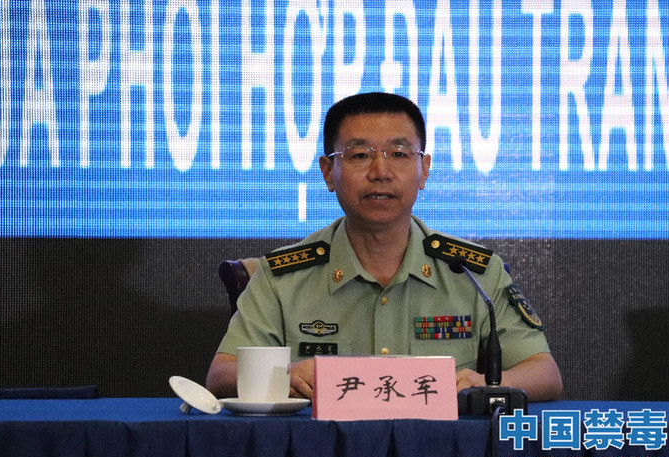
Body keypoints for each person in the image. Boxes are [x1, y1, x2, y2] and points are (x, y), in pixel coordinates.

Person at [206, 92, 562, 402]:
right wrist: (283, 376)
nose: (380, 171)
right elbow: (221, 374)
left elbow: (544, 372)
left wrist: (487, 384)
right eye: (360, 155)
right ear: (328, 172)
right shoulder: (282, 277)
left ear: (424, 170)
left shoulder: (473, 272)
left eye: (399, 154)